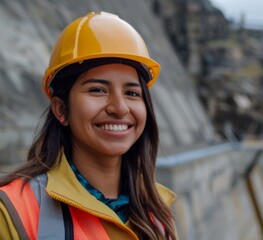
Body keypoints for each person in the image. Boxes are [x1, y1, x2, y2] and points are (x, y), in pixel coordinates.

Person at [0, 11, 177, 240]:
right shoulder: (13, 211)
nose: (120, 107)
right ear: (61, 110)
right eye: (97, 90)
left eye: (132, 93)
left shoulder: (157, 213)